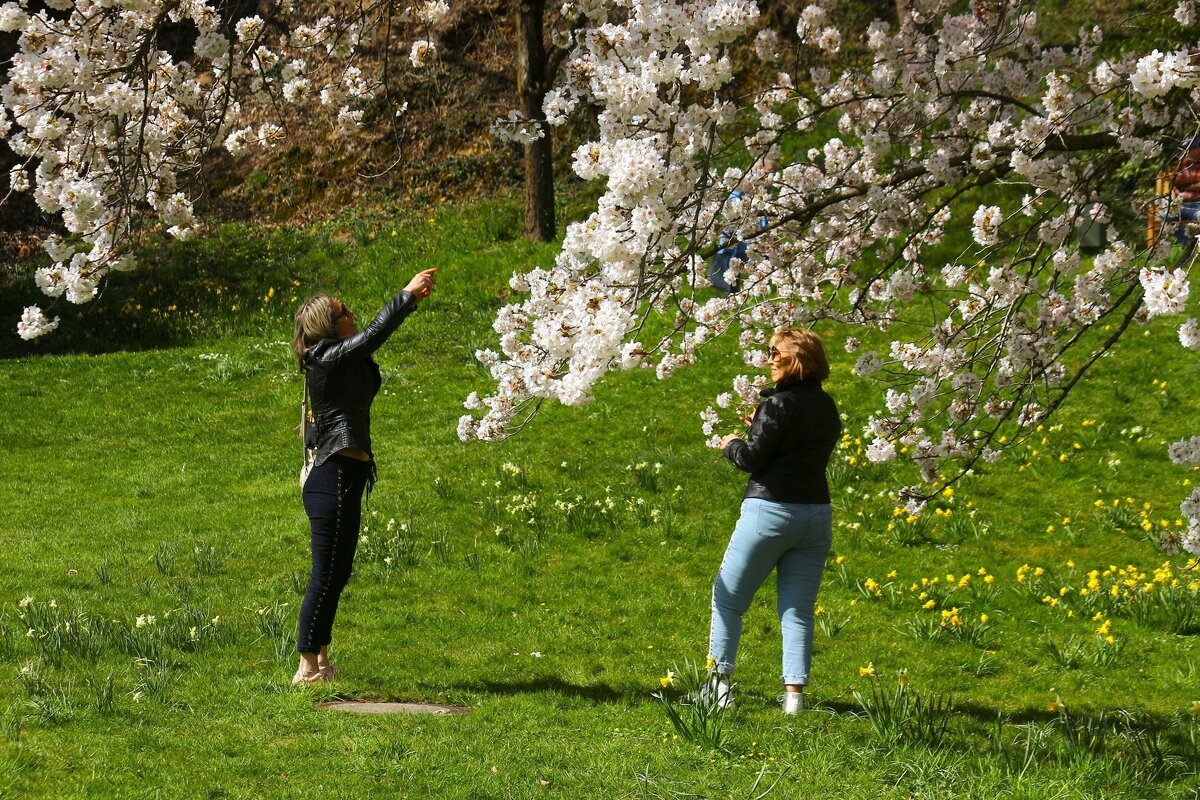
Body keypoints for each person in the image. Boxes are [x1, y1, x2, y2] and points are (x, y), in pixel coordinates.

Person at [288, 268, 438, 684]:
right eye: (344, 311)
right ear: (329, 326)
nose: (352, 312)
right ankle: (305, 667)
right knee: (325, 573)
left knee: (338, 572)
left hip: (346, 476)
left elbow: (366, 342)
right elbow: (373, 334)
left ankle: (321, 662)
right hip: (331, 476)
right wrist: (405, 295)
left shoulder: (339, 359)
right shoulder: (325, 357)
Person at [706, 328, 841, 715]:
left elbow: (751, 460)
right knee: (797, 608)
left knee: (727, 599)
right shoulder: (827, 406)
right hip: (816, 515)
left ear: (794, 358)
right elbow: (797, 446)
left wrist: (731, 442)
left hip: (770, 512)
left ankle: (718, 689)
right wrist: (761, 424)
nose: (768, 359)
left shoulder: (778, 405)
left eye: (774, 352)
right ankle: (793, 701)